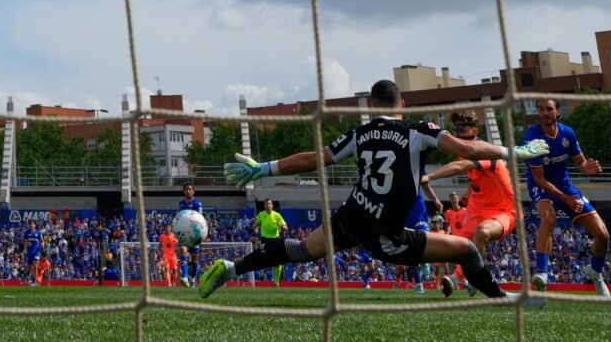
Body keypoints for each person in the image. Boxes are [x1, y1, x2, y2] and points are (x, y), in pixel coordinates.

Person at [198, 79, 549, 299]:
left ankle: (231, 268)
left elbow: (312, 159)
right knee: (468, 252)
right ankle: (502, 298)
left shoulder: (359, 134)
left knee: (302, 250)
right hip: (386, 235)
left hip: (352, 217)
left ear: (371, 106)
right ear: (402, 105)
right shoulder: (417, 129)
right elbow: (469, 150)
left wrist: (264, 168)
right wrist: (513, 151)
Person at [422, 110, 518, 298]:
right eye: (456, 130)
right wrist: (467, 196)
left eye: (462, 130)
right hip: (476, 209)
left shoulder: (485, 151)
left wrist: (430, 176)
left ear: (474, 131)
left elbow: (460, 168)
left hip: (503, 211)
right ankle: (465, 278)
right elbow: (476, 180)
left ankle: (464, 279)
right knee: (460, 247)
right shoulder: (464, 152)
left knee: (482, 233)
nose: (458, 135)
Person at [524, 99, 610, 297]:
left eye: (549, 109)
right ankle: (542, 272)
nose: (545, 113)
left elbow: (580, 162)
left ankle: (595, 273)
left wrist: (586, 169)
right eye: (541, 109)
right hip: (542, 187)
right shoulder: (532, 138)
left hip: (565, 186)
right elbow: (539, 178)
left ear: (557, 112)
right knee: (549, 218)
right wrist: (566, 198)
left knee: (603, 234)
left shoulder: (568, 133)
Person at [254, 198, 288, 287]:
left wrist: (282, 226)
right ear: (264, 206)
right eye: (266, 204)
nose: (267, 205)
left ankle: (276, 282)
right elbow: (257, 224)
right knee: (266, 258)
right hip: (265, 239)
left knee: (277, 261)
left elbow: (285, 227)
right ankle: (263, 276)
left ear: (272, 205)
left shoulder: (277, 215)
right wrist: (255, 227)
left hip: (275, 239)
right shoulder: (261, 215)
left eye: (269, 204)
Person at [178, 183, 203, 287]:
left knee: (194, 260)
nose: (188, 191)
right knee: (183, 251)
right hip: (184, 233)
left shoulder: (198, 204)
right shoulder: (181, 204)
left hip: (194, 234)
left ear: (193, 191)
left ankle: (192, 279)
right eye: (186, 189)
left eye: (190, 189)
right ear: (184, 191)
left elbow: (200, 219)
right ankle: (185, 277)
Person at [23, 220, 43, 286]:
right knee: (29, 268)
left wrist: (42, 244)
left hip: (37, 252)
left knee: (35, 265)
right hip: (30, 252)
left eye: (33, 224)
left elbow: (42, 241)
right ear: (29, 225)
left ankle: (35, 282)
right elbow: (24, 241)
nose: (32, 225)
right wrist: (27, 243)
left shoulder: (38, 232)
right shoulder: (26, 232)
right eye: (30, 224)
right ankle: (27, 281)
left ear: (35, 225)